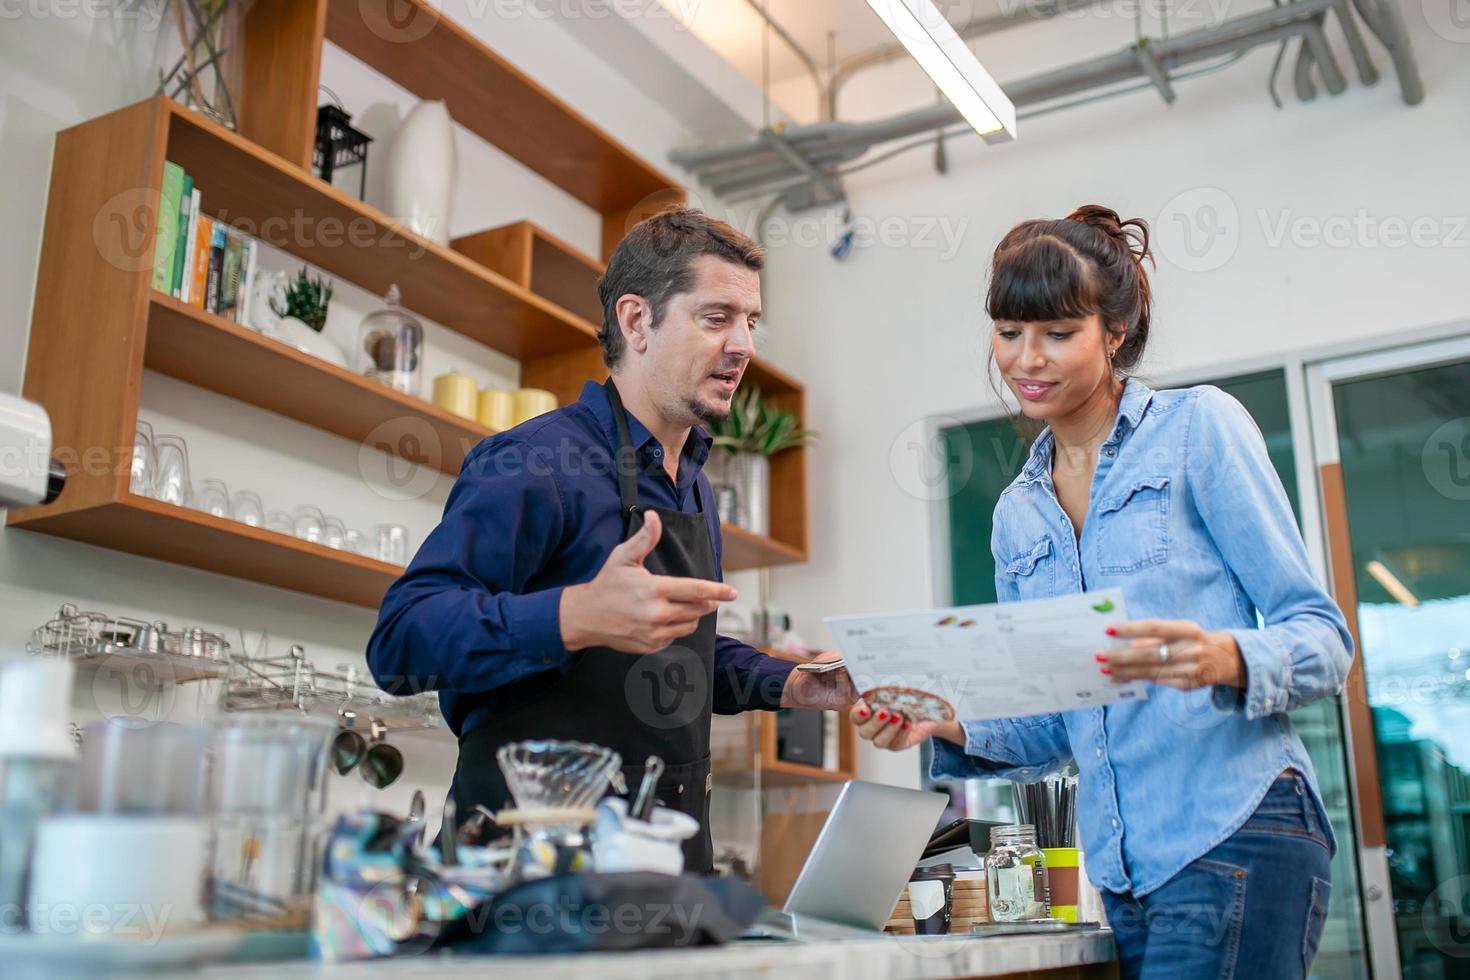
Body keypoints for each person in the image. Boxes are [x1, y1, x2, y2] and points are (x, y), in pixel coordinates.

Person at [854, 205, 1353, 979]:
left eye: (1058, 333)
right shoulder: (1016, 514)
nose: (1028, 359)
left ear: (1113, 332)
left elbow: (1322, 639)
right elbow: (1053, 723)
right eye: (1010, 332)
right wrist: (940, 722)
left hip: (1237, 828)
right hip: (1124, 874)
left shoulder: (1199, 430)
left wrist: (1226, 655)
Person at [367, 209, 854, 871]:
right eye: (717, 318)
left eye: (751, 322)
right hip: (526, 880)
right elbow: (400, 643)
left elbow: (678, 662)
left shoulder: (695, 485)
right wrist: (571, 616)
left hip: (665, 866)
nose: (743, 345)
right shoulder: (533, 462)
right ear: (636, 321)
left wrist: (796, 684)